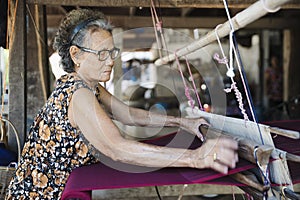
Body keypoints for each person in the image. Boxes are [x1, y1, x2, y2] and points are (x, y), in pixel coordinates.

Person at [5, 9, 238, 199]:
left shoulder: (88, 86)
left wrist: (183, 123)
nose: (110, 61)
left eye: (112, 52)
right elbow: (117, 148)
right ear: (76, 55)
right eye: (101, 54)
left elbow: (127, 114)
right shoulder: (77, 94)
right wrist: (197, 158)